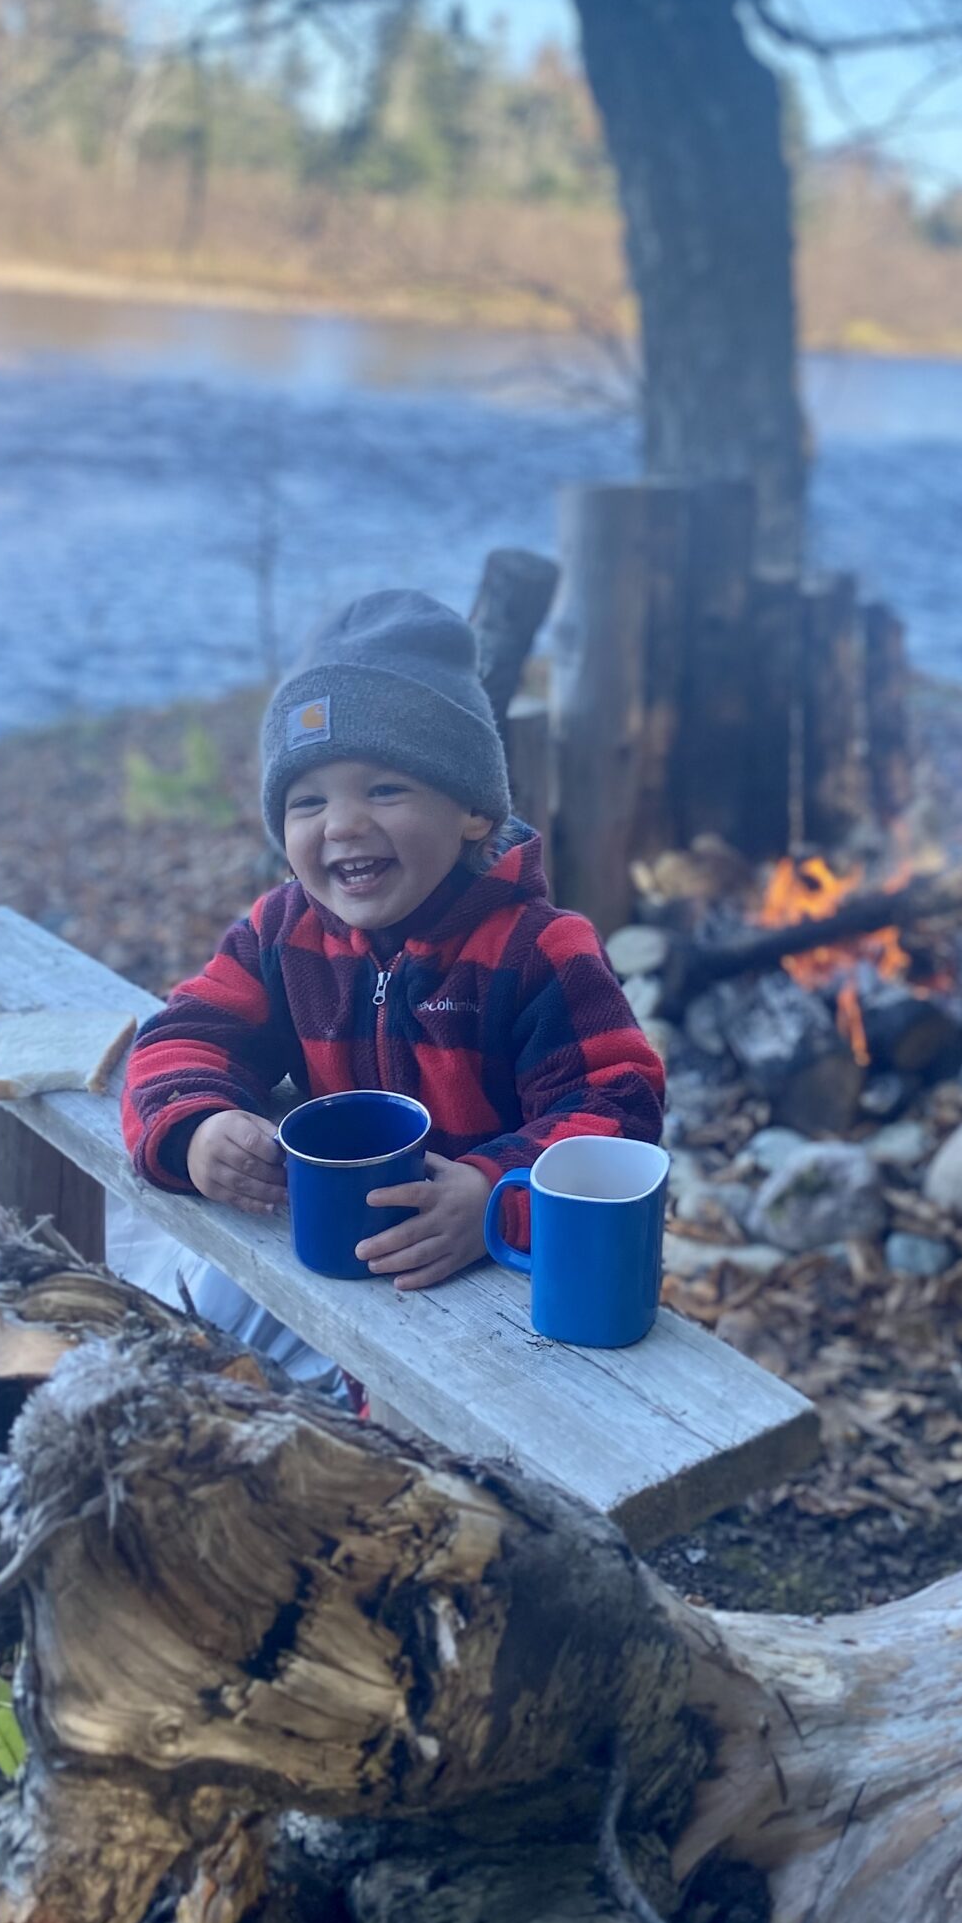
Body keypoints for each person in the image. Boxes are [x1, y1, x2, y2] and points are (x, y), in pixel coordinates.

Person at [120, 586, 665, 1387]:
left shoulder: (538, 949)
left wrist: (490, 1195)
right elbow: (180, 1035)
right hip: (339, 1267)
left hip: (505, 1288)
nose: (341, 824)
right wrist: (196, 1130)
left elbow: (620, 1103)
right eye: (308, 801)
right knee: (180, 1364)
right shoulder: (284, 932)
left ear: (474, 811)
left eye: (384, 790)